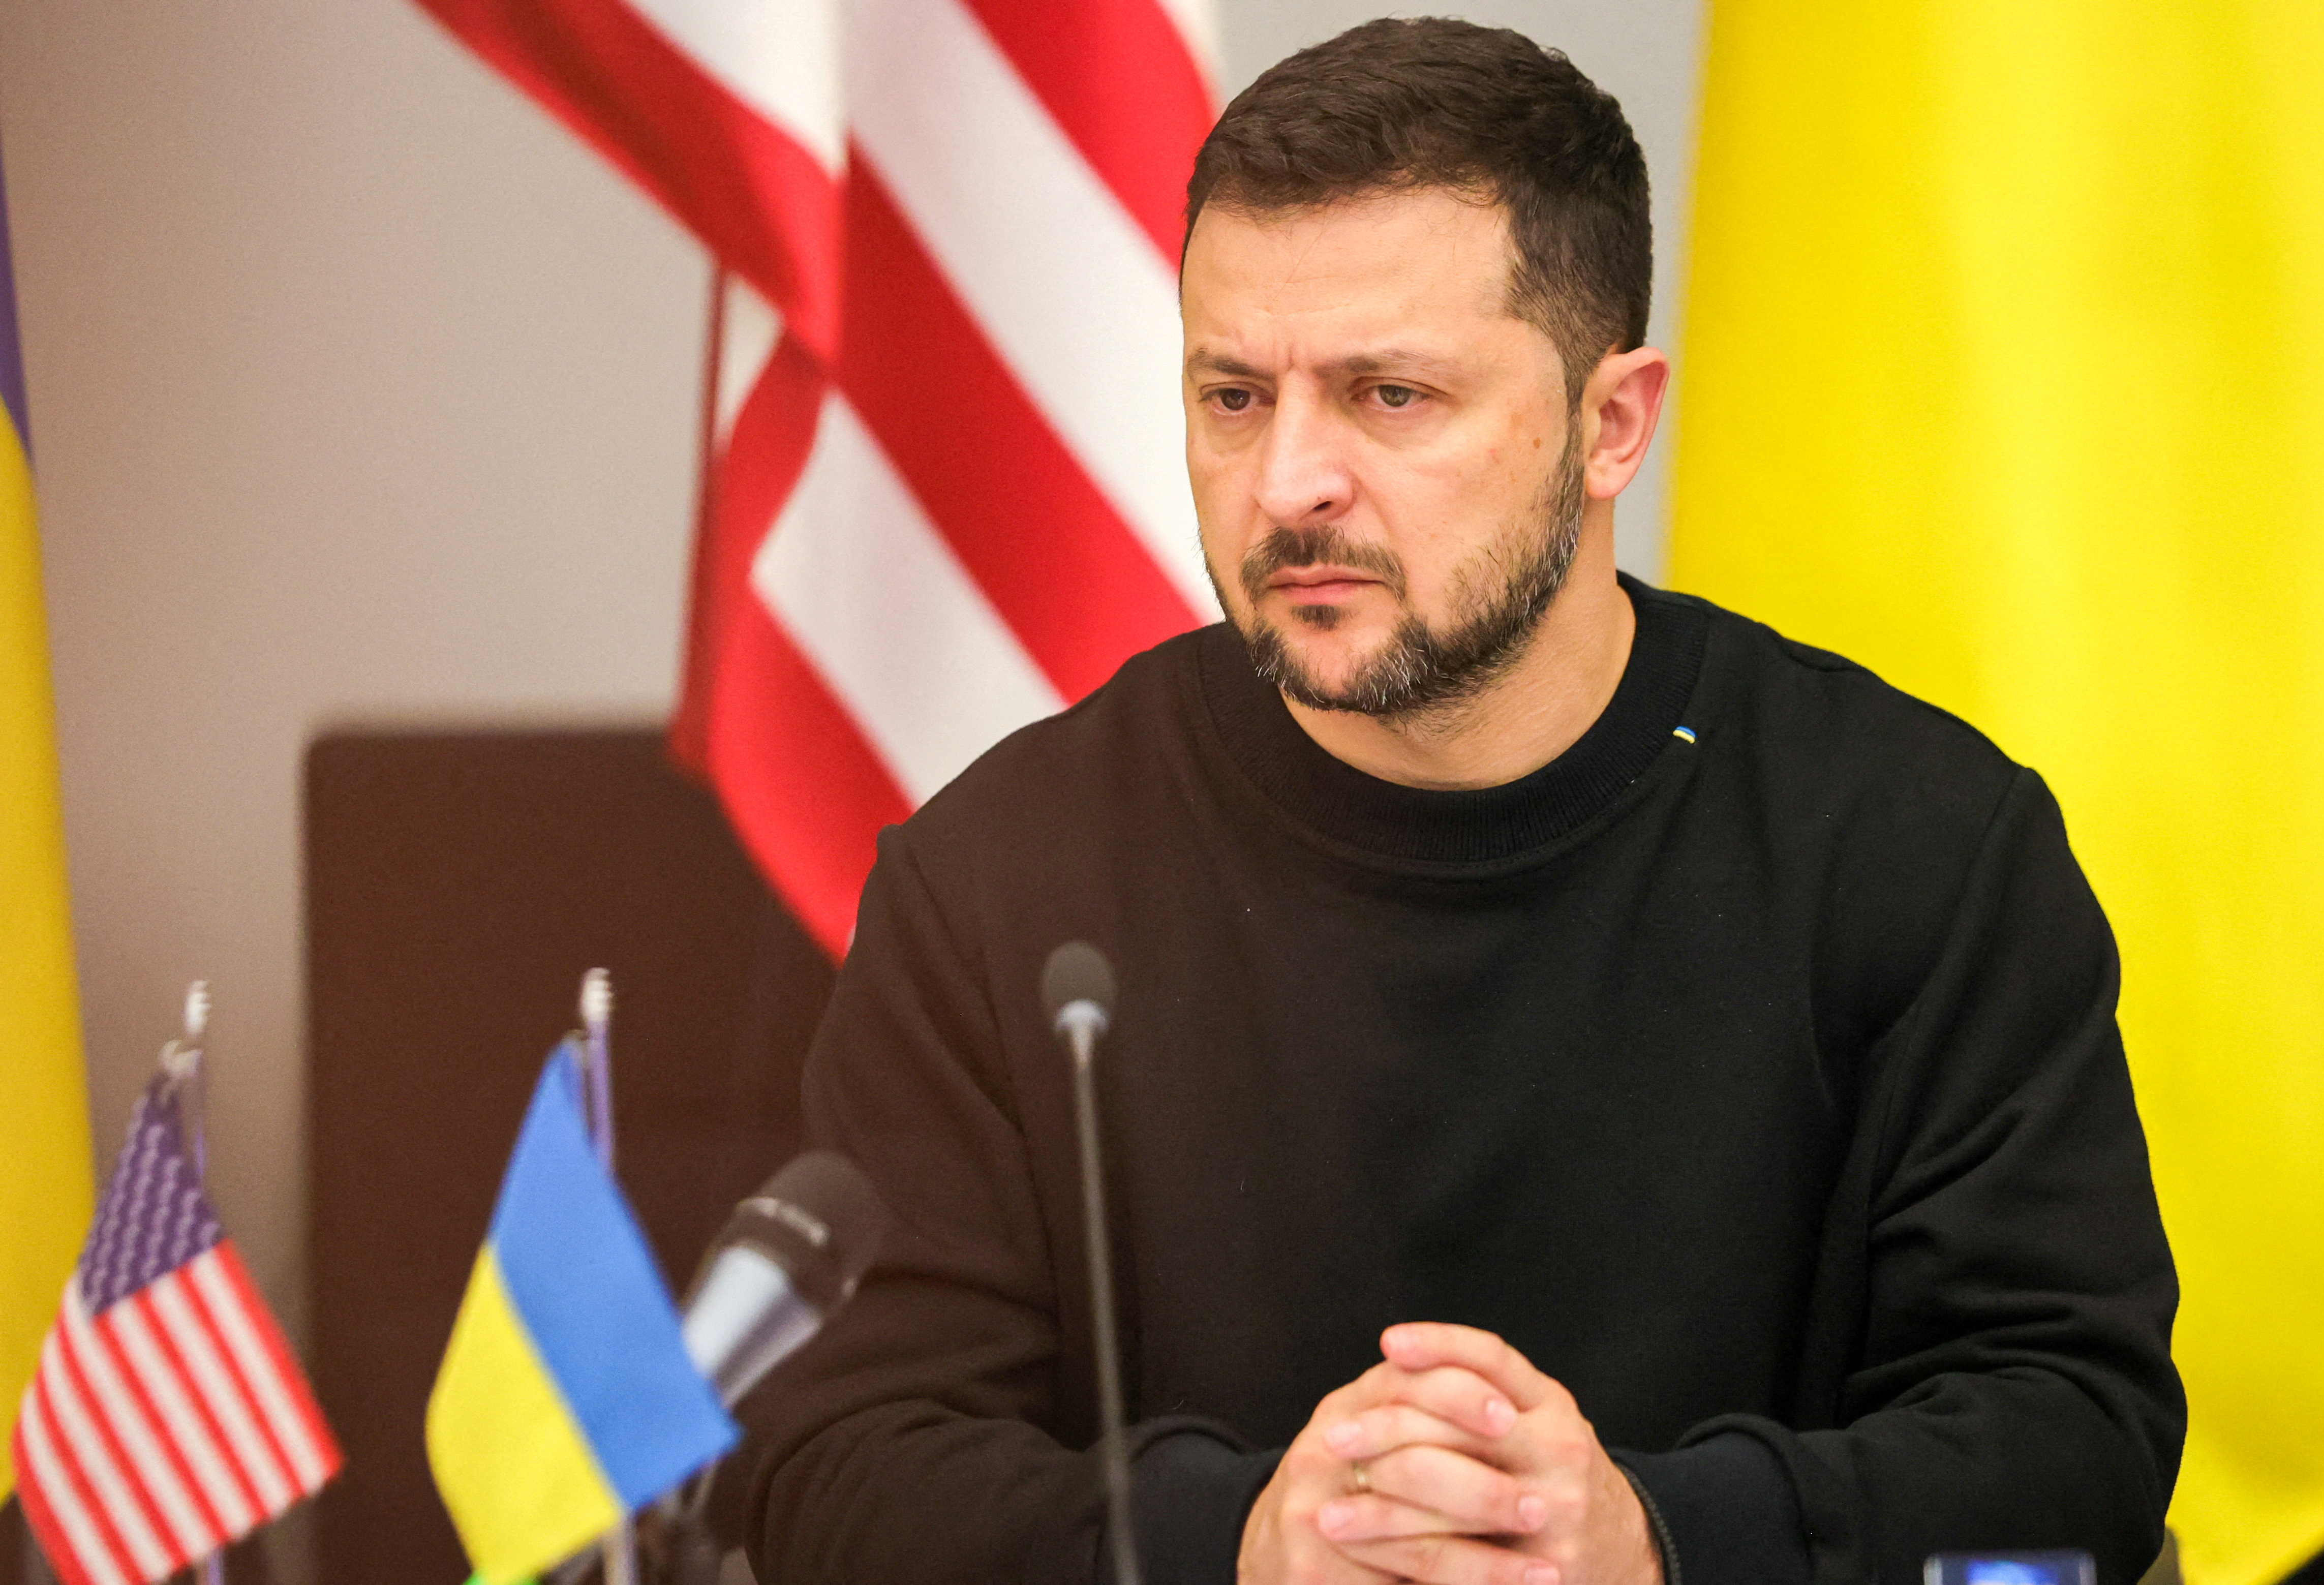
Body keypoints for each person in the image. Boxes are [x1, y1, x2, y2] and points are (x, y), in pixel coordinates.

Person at [727, 18, 2184, 1585]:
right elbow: (834, 1464)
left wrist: (1657, 1541)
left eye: (1391, 397)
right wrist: (1249, 1543)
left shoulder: (1918, 849)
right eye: (1233, 397)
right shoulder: (1000, 880)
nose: (1289, 484)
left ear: (1613, 423)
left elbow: (2073, 1431)